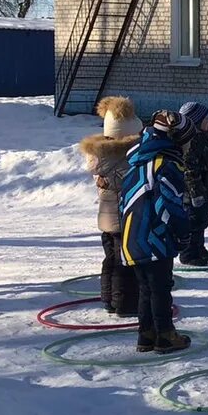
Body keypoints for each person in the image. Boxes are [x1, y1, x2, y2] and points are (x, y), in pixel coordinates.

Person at [119, 110, 192, 354]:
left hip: (132, 237)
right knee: (160, 288)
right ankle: (165, 336)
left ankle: (146, 334)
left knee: (146, 289)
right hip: (155, 238)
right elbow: (169, 205)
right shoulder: (166, 165)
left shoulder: (137, 162)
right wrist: (183, 235)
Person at [78, 96, 141, 316]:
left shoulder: (100, 155)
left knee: (111, 260)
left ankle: (108, 299)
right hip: (123, 218)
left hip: (106, 219)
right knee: (124, 262)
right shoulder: (125, 157)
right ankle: (124, 304)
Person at [178, 101, 208, 266]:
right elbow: (189, 170)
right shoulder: (189, 141)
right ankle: (188, 253)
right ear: (196, 120)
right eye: (206, 118)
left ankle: (198, 248)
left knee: (202, 220)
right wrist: (195, 192)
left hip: (205, 186)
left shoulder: (200, 137)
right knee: (192, 221)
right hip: (193, 192)